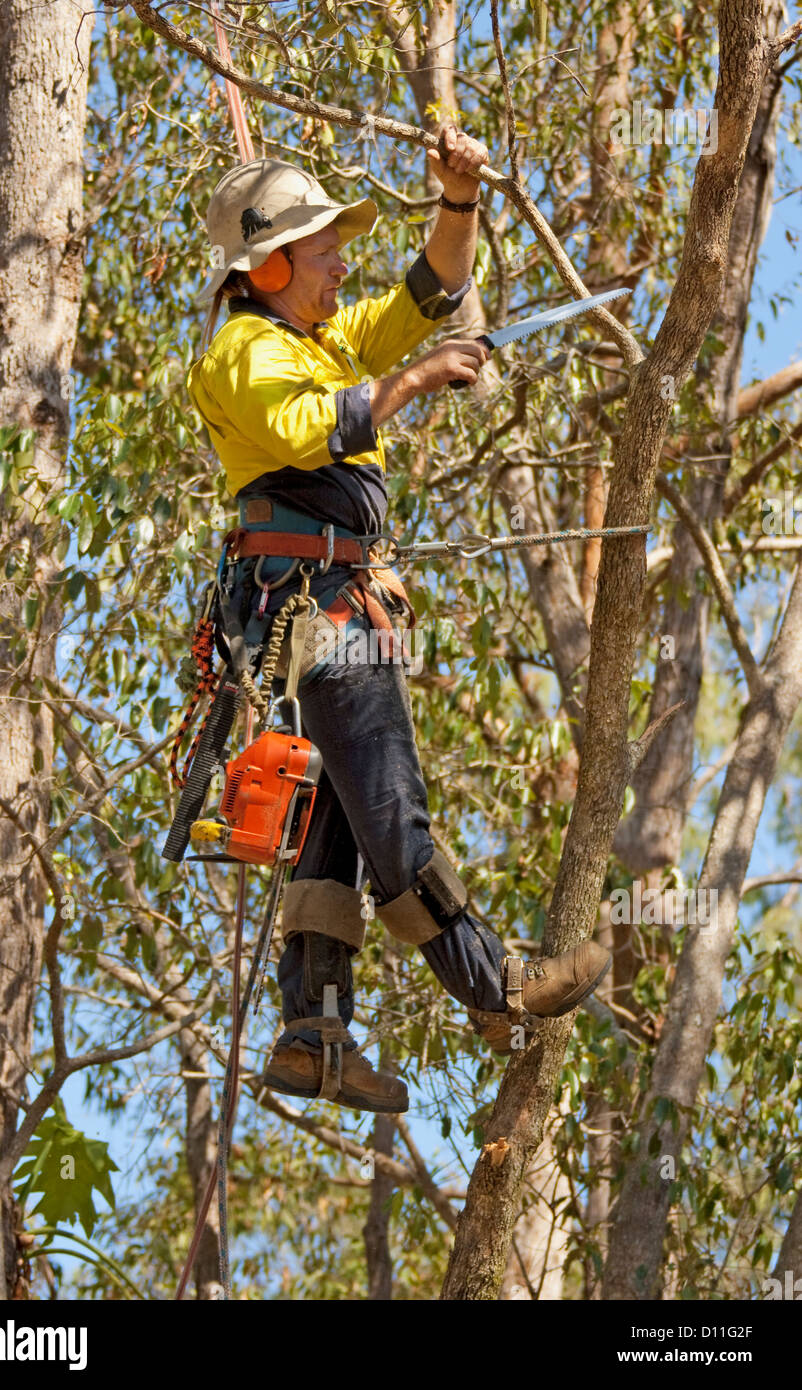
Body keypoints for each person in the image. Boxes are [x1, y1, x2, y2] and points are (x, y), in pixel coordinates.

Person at [186, 127, 610, 1114]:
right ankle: (491, 982)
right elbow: (311, 428)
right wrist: (415, 382)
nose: (341, 262)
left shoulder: (320, 339)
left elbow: (428, 290)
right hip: (312, 614)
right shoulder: (243, 351)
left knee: (335, 820)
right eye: (323, 247)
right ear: (272, 262)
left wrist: (456, 198)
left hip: (331, 610)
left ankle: (311, 1033)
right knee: (387, 808)